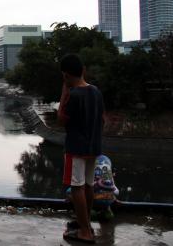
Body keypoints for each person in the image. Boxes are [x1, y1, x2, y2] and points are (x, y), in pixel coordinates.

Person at [58, 54, 104, 244]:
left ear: (66, 75)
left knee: (76, 187)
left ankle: (84, 231)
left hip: (76, 147)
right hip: (94, 146)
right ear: (83, 70)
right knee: (88, 185)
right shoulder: (96, 91)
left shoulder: (73, 95)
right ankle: (85, 222)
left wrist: (64, 91)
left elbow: (61, 119)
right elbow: (103, 119)